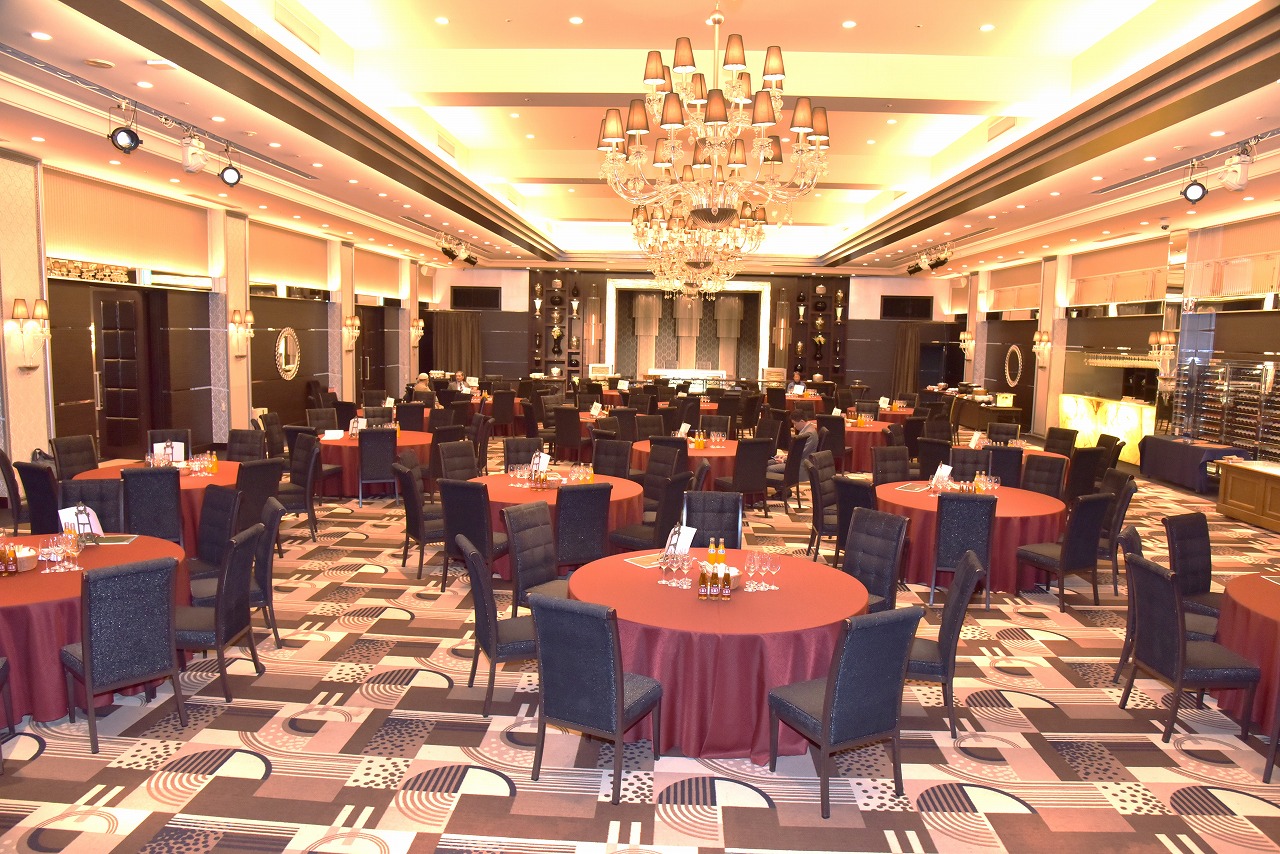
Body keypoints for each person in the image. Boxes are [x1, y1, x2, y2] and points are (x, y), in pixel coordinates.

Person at [767, 409, 818, 497]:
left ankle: (784, 491)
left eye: (795, 423)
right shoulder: (806, 430)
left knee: (770, 469)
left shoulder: (809, 434)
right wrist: (784, 457)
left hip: (800, 465)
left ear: (802, 421)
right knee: (768, 462)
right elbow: (797, 452)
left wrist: (784, 460)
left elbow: (799, 454)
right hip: (796, 461)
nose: (794, 426)